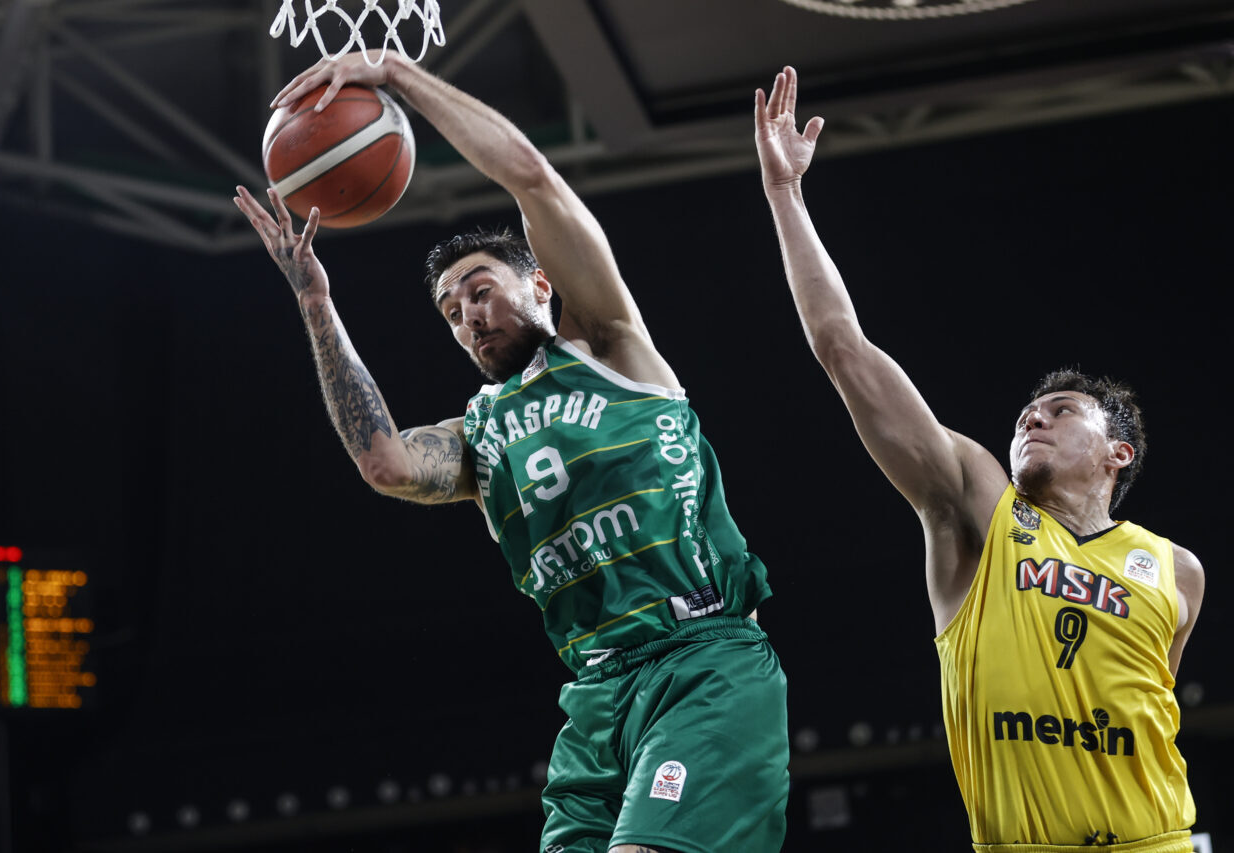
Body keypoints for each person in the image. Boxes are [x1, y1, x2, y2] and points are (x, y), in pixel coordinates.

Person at [233, 51, 788, 853]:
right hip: (596, 691)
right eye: (451, 310)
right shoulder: (479, 435)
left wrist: (395, 74)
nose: (469, 315)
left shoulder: (610, 346)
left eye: (482, 289)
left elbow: (531, 177)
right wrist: (316, 302)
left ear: (540, 285)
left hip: (702, 662)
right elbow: (384, 461)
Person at [753, 66, 1203, 851]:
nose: (1033, 415)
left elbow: (1146, 710)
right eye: (1029, 411)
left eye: (1062, 411)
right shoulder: (978, 509)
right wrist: (786, 193)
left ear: (1117, 453)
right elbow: (843, 348)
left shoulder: (1177, 571)